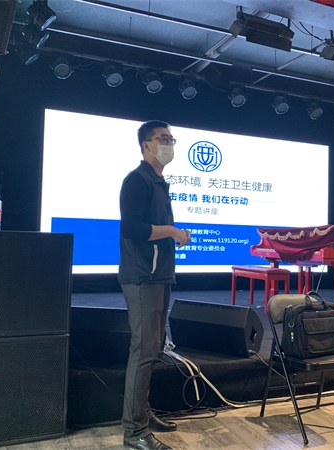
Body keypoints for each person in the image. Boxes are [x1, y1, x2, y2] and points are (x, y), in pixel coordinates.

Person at [119, 120, 191, 450]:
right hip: (142, 277)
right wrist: (172, 232)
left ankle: (142, 415)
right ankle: (134, 431)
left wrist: (174, 235)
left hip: (159, 275)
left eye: (172, 139)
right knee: (144, 350)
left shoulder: (159, 182)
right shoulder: (137, 180)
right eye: (163, 138)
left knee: (154, 346)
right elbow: (132, 228)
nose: (169, 144)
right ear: (146, 145)